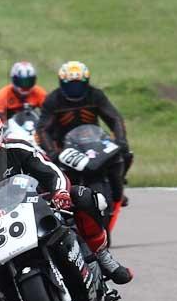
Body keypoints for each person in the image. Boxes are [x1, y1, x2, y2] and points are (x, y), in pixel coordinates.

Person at [0, 104, 132, 301]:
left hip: (37, 206)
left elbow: (51, 173)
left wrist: (60, 193)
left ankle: (102, 256)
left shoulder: (18, 148)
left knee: (83, 196)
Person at [37, 61, 132, 205]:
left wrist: (121, 139)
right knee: (46, 166)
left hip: (95, 141)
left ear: (86, 83)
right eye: (70, 85)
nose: (75, 89)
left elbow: (115, 118)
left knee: (124, 154)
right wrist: (51, 151)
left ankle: (117, 186)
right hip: (64, 147)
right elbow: (43, 129)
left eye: (79, 84)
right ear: (62, 83)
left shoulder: (96, 95)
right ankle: (57, 196)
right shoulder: (53, 100)